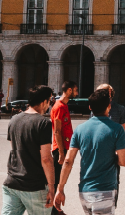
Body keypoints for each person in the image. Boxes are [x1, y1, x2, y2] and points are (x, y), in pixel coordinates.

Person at [53, 88, 125, 215]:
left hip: (84, 191)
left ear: (90, 108)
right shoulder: (116, 129)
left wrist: (60, 189)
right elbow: (124, 161)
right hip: (104, 191)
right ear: (109, 106)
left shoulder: (80, 129)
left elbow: (67, 161)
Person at [2, 86, 56, 215]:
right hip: (34, 186)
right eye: (50, 101)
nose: (50, 105)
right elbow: (46, 158)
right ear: (44, 102)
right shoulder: (43, 123)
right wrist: (52, 187)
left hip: (12, 183)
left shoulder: (14, 119)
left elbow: (15, 149)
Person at [51, 81, 78, 216]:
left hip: (65, 147)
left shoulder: (64, 105)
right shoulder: (59, 107)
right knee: (56, 180)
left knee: (60, 179)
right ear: (68, 90)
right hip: (60, 149)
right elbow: (57, 131)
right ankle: (53, 210)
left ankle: (54, 209)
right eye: (75, 90)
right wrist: (61, 153)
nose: (77, 93)